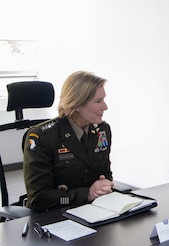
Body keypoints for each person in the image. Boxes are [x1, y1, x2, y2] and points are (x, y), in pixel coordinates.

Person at [24, 71, 113, 211]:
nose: (105, 106)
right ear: (77, 103)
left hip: (94, 211)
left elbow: (105, 173)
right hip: (54, 214)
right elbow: (39, 198)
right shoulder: (43, 137)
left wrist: (104, 186)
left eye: (104, 99)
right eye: (98, 101)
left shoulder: (102, 130)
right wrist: (87, 194)